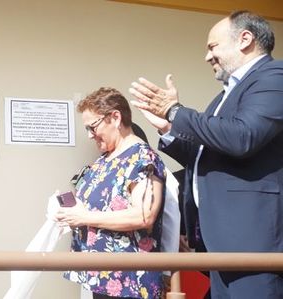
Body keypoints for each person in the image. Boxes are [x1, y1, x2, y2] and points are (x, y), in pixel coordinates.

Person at [129, 10, 283, 298]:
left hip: (254, 246)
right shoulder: (222, 96)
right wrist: (167, 128)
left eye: (212, 47)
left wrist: (175, 111)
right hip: (221, 245)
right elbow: (208, 154)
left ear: (245, 39)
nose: (207, 57)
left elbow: (243, 137)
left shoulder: (275, 76)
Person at [56, 88, 166, 299]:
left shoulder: (143, 157)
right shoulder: (104, 160)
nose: (89, 135)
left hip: (131, 282)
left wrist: (84, 216)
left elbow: (144, 215)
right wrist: (69, 212)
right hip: (103, 278)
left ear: (115, 117)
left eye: (93, 127)